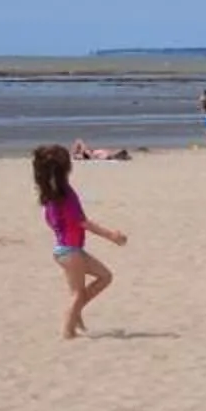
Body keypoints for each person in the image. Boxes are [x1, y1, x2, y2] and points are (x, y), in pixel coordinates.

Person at [34, 144, 128, 340]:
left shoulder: (51, 194)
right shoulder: (65, 195)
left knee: (98, 280)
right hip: (70, 251)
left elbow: (52, 221)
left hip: (66, 250)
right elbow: (83, 222)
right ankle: (68, 329)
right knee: (85, 289)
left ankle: (76, 319)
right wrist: (111, 235)